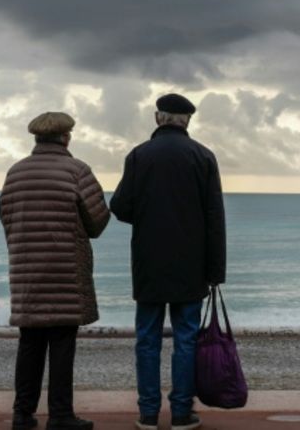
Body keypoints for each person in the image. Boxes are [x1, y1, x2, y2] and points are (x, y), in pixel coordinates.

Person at [109, 93, 227, 430]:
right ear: (187, 120)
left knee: (147, 338)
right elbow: (214, 218)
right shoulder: (203, 157)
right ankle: (180, 413)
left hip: (148, 262)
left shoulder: (139, 156)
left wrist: (146, 217)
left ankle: (147, 413)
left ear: (158, 118)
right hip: (191, 266)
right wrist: (215, 271)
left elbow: (120, 206)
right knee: (186, 339)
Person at [0, 111, 111, 430]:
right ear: (66, 137)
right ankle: (61, 415)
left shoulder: (16, 172)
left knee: (30, 343)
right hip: (65, 272)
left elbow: (6, 216)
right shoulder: (77, 171)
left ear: (36, 138)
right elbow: (98, 221)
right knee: (62, 343)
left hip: (27, 273)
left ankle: (22, 414)